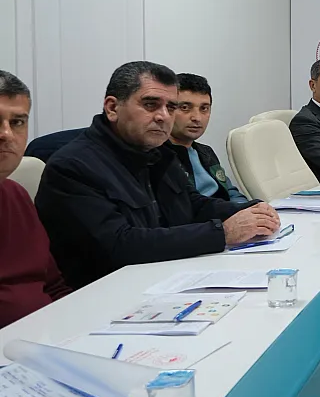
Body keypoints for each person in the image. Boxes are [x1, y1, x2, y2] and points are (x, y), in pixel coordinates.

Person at [36, 62, 281, 289]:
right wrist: (222, 233)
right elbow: (120, 245)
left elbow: (192, 204)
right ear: (112, 108)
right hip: (108, 293)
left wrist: (250, 210)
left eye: (171, 107)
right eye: (150, 104)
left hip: (166, 277)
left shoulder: (159, 153)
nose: (163, 116)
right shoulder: (72, 167)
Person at [0, 71, 71, 326]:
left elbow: (53, 285)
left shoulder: (16, 194)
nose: (6, 134)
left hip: (45, 335)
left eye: (17, 122)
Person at [165, 73, 248, 203]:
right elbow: (186, 207)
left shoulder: (205, 152)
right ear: (168, 110)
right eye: (185, 108)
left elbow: (231, 192)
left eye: (204, 108)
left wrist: (252, 209)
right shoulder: (160, 157)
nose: (197, 118)